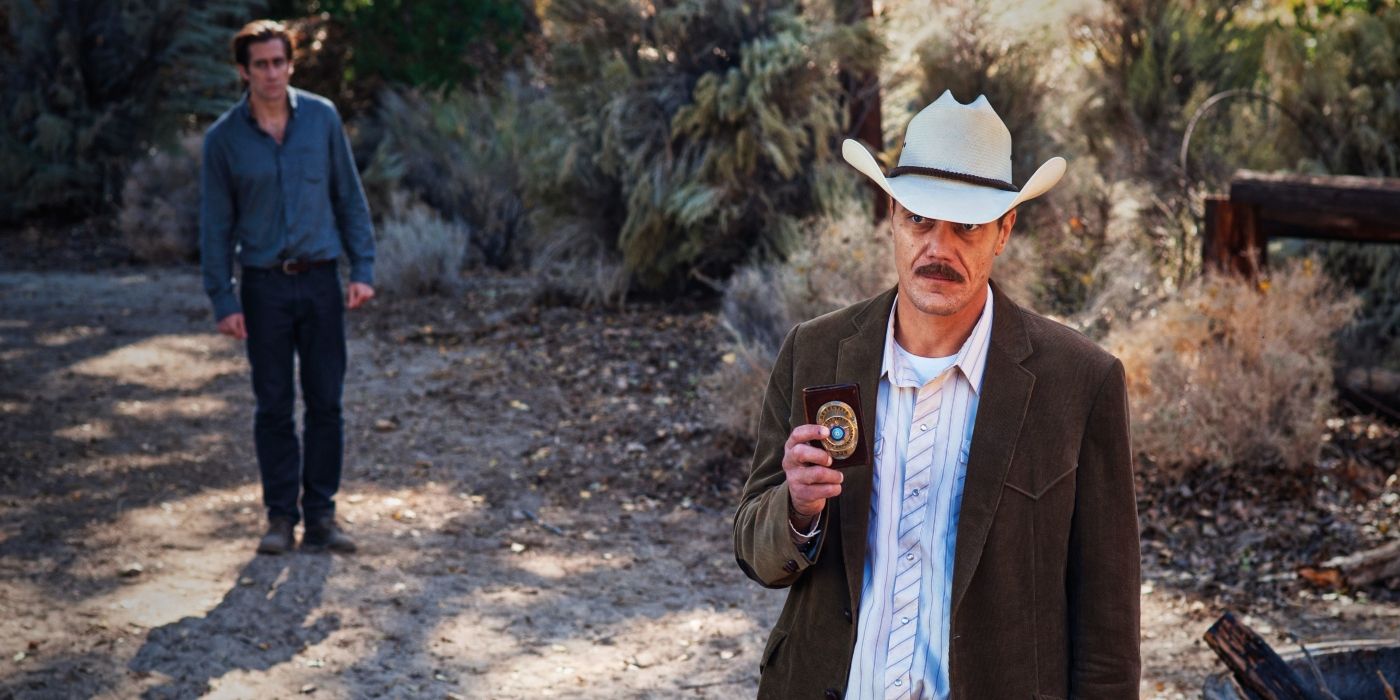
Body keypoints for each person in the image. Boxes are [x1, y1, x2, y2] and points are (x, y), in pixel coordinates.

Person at [734, 91, 1140, 698]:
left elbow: (1108, 630)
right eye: (920, 218)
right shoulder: (815, 353)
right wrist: (795, 509)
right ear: (892, 217)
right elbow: (755, 550)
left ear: (1005, 230)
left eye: (967, 226)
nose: (938, 249)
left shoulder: (1079, 383)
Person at [200, 20, 375, 555]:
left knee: (326, 402)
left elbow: (350, 196)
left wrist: (362, 267)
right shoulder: (223, 140)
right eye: (261, 65)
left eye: (280, 62)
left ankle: (321, 516)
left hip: (321, 279)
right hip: (263, 287)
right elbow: (214, 227)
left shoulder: (321, 118)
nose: (272, 73)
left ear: (290, 64)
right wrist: (223, 298)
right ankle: (280, 518)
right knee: (273, 404)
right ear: (244, 71)